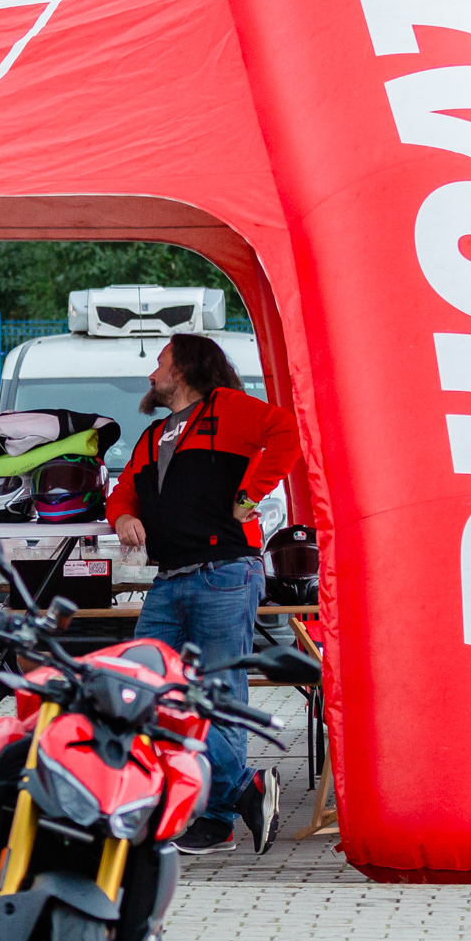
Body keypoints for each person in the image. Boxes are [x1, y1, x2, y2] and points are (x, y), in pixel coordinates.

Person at [108, 334, 301, 855]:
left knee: (218, 695)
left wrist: (250, 495)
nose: (151, 374)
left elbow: (288, 432)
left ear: (185, 368)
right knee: (142, 687)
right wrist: (122, 517)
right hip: (169, 579)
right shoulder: (152, 435)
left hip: (225, 573)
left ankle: (216, 820)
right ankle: (239, 791)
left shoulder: (229, 408)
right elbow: (123, 492)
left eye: (160, 363)